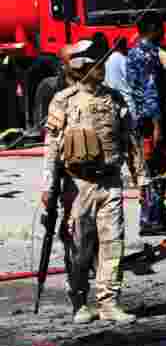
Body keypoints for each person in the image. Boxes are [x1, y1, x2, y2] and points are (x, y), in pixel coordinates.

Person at [41, 34, 141, 324]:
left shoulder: (115, 99)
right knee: (79, 247)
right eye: (98, 62)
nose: (103, 67)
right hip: (77, 185)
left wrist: (142, 180)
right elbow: (52, 146)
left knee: (113, 244)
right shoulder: (63, 100)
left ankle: (109, 302)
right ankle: (80, 301)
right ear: (84, 66)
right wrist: (48, 185)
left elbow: (131, 141)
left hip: (109, 182)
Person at [126, 12, 166, 236]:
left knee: (153, 169)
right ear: (153, 29)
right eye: (161, 28)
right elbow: (151, 92)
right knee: (155, 170)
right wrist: (157, 126)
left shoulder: (134, 51)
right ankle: (151, 219)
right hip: (150, 121)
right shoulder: (147, 54)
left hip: (142, 118)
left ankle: (158, 215)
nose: (164, 33)